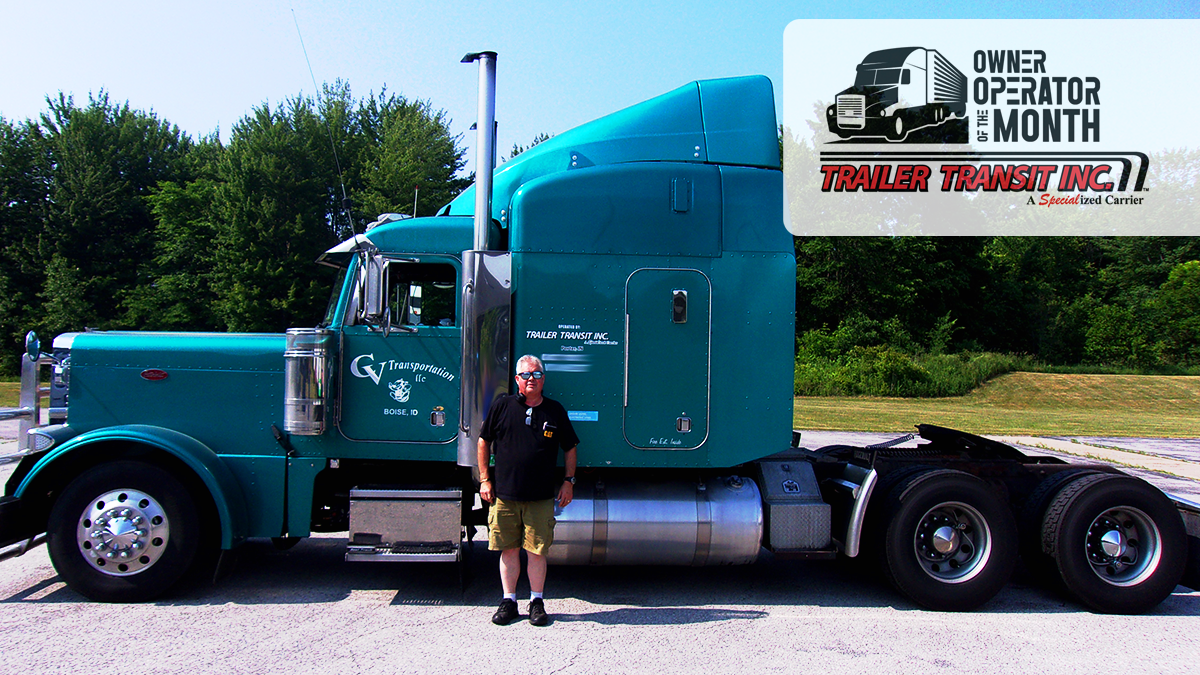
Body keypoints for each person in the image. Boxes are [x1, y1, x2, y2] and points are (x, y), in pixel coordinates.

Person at [477, 355, 579, 626]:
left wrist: (569, 481)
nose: (531, 379)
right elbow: (483, 441)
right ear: (517, 380)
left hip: (541, 497)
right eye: (526, 375)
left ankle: (536, 602)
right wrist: (485, 479)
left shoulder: (555, 410)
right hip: (504, 496)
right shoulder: (502, 406)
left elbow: (570, 447)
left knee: (537, 552)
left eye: (536, 374)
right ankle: (509, 601)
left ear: (543, 378)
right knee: (508, 550)